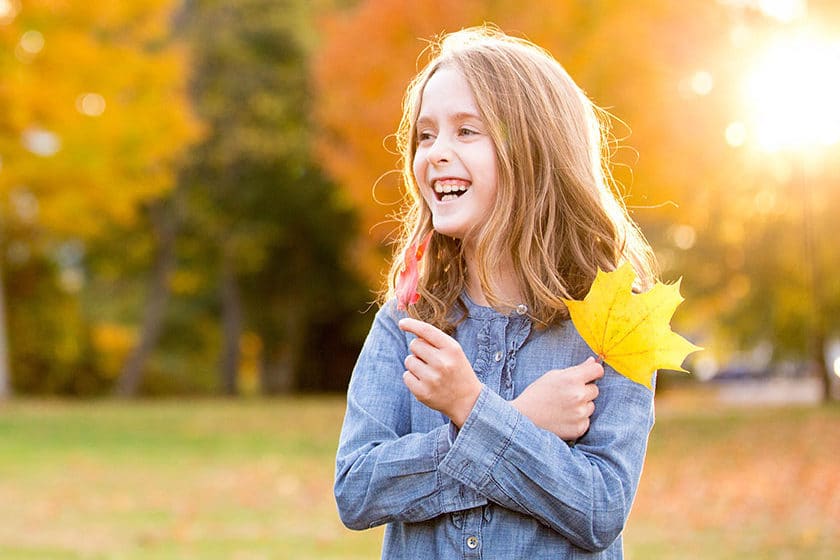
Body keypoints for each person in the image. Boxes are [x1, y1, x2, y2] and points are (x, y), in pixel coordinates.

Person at [335, 25, 658, 559]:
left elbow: (600, 509)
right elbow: (357, 489)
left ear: (536, 149)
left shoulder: (615, 324)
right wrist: (518, 420)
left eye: (467, 131)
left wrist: (471, 408)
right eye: (426, 134)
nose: (436, 152)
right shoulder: (409, 320)